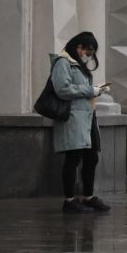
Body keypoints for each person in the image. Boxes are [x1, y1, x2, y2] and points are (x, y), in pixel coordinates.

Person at [49, 31, 110, 214]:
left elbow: (81, 89)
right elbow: (62, 89)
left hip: (88, 117)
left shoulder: (78, 65)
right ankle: (69, 200)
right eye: (87, 52)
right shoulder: (63, 62)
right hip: (74, 118)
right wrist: (90, 90)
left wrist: (96, 90)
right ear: (78, 47)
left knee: (92, 157)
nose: (88, 56)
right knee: (73, 158)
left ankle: (88, 197)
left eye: (91, 54)